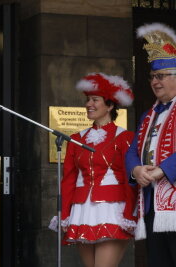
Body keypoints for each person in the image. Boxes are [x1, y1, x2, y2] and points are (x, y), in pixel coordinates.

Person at [60, 73, 137, 267]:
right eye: (87, 100)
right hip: (82, 210)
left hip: (113, 210)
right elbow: (69, 179)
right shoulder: (76, 138)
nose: (88, 104)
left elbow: (130, 179)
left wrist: (130, 214)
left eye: (95, 100)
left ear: (110, 105)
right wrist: (65, 214)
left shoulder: (125, 137)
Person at [126, 23, 176, 267]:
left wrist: (163, 169)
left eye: (162, 76)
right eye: (152, 77)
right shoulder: (149, 114)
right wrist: (136, 170)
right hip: (152, 204)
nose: (155, 82)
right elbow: (132, 150)